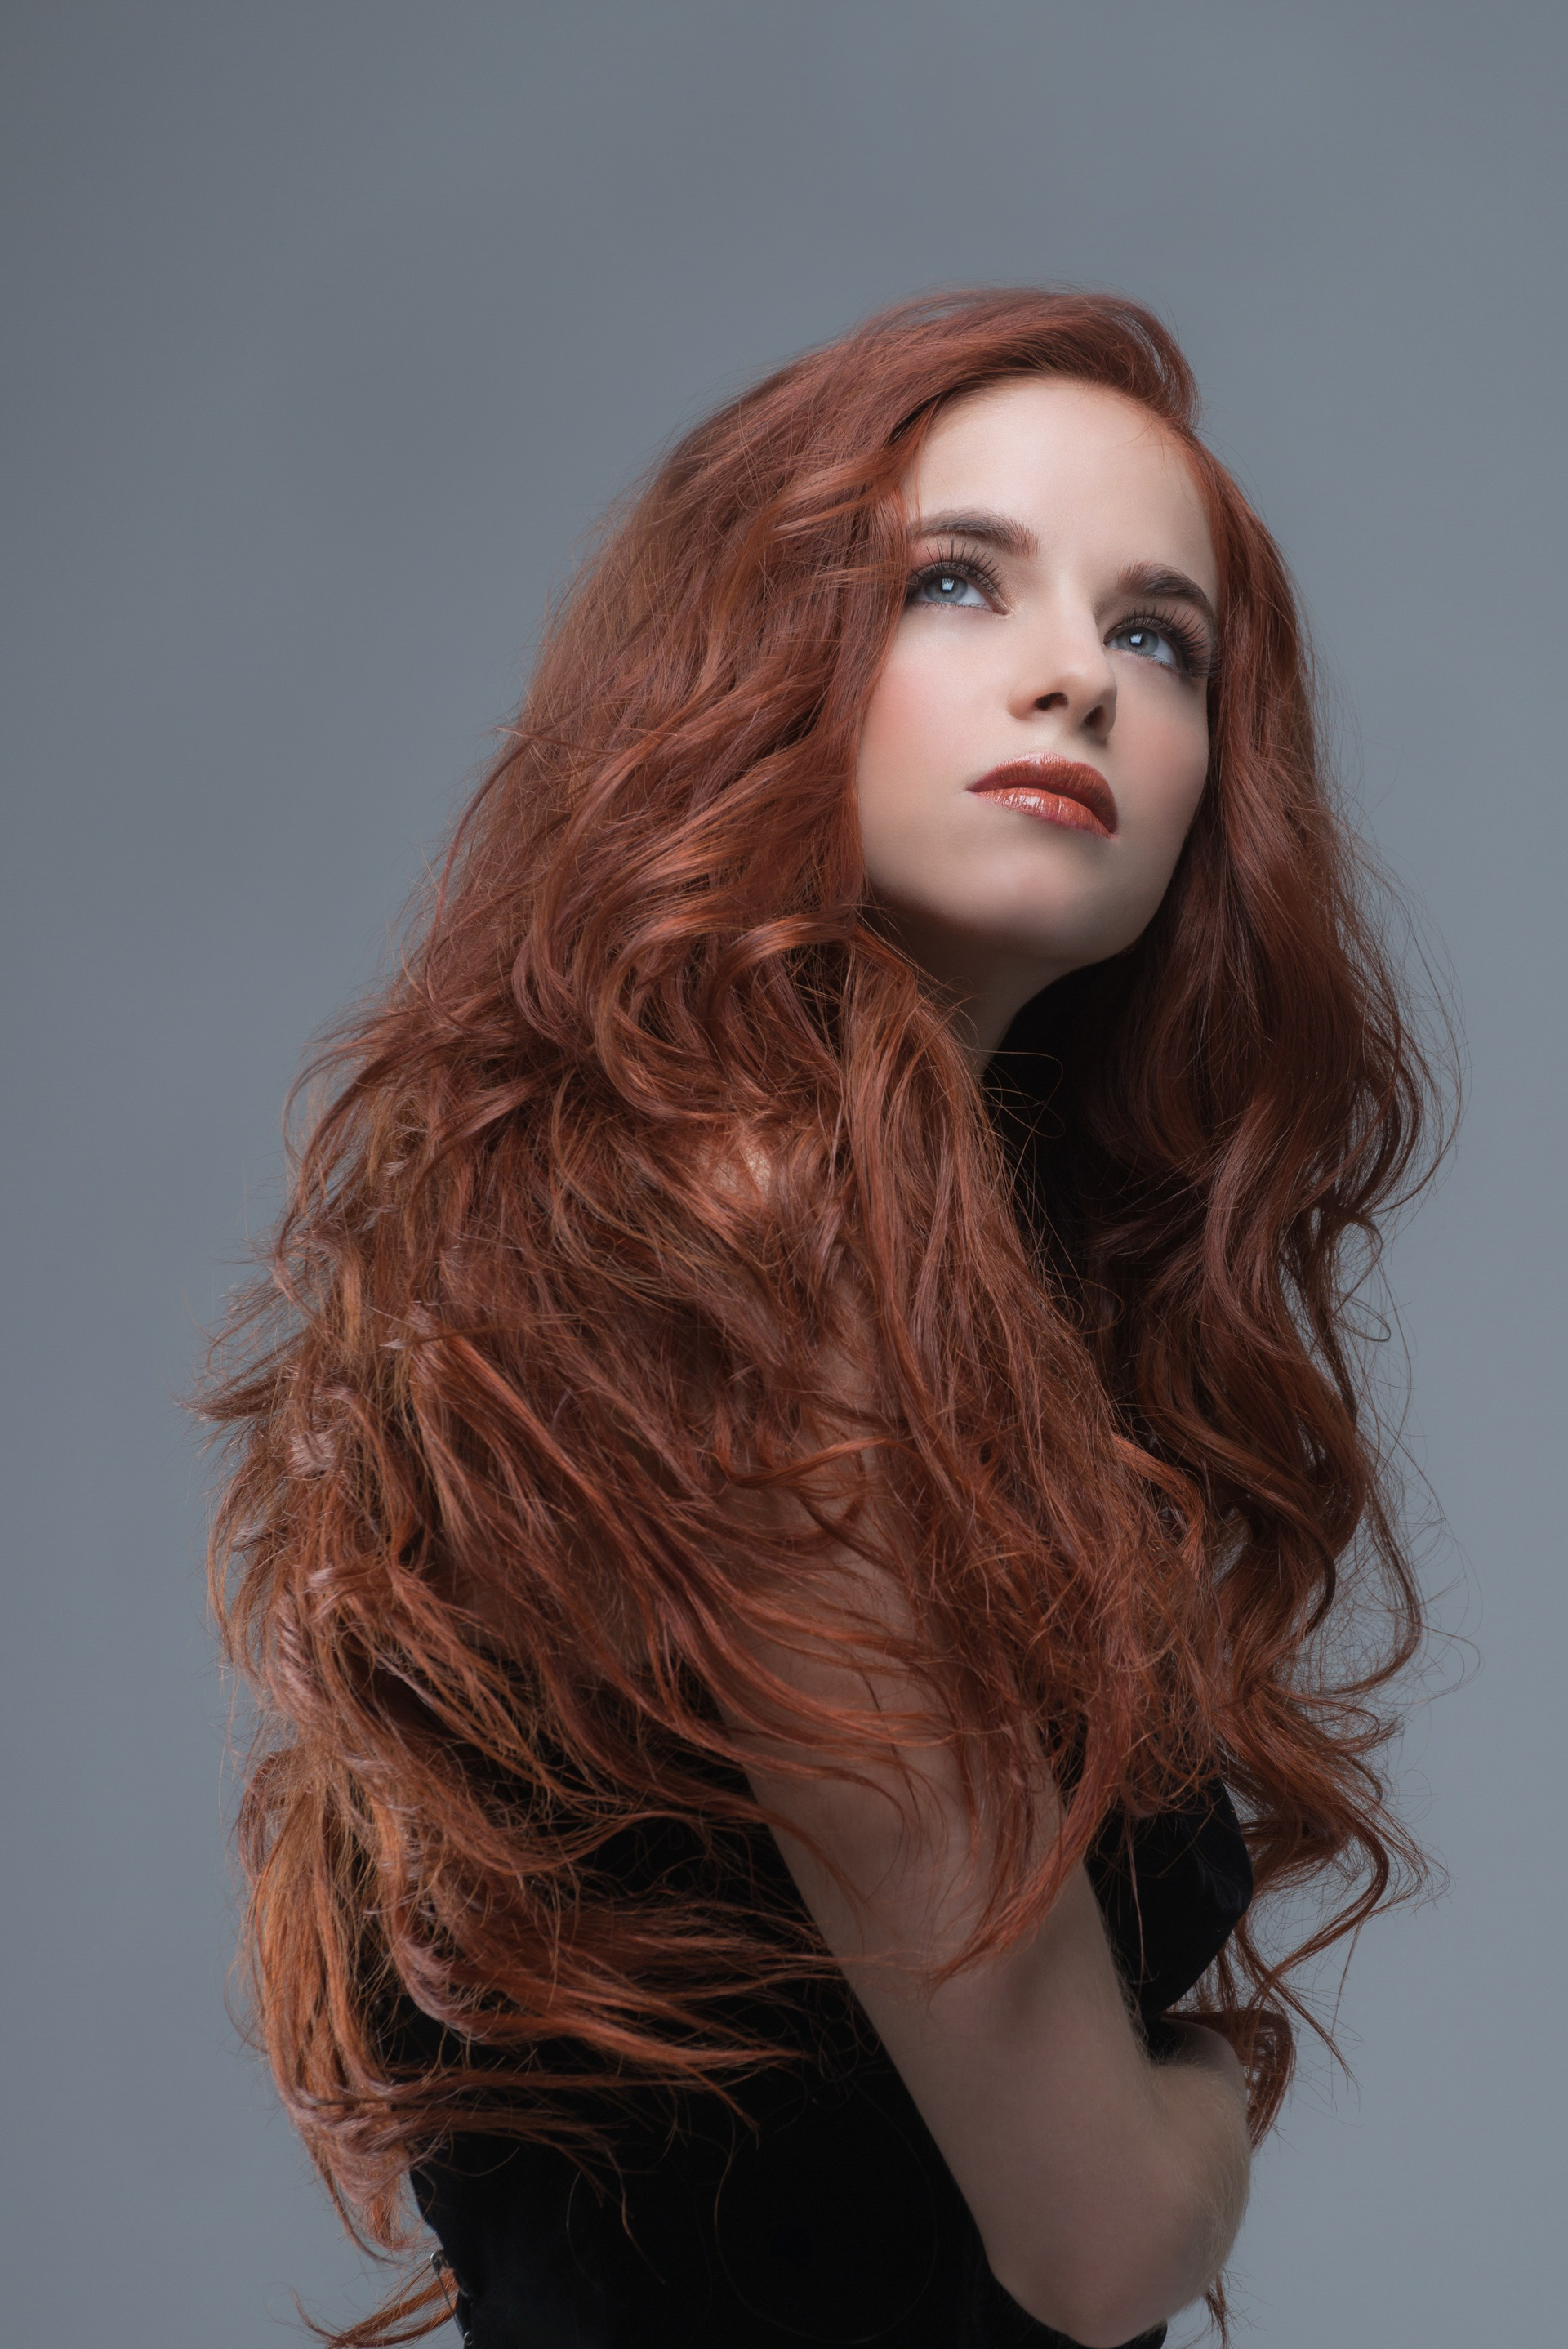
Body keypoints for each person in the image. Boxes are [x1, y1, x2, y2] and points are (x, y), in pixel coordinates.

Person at [203, 288, 1443, 2349]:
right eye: (957, 581)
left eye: (1160, 639)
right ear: (765, 654)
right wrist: (1213, 2102)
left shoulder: (871, 1266)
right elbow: (1103, 2239)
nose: (1078, 675)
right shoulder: (749, 1265)